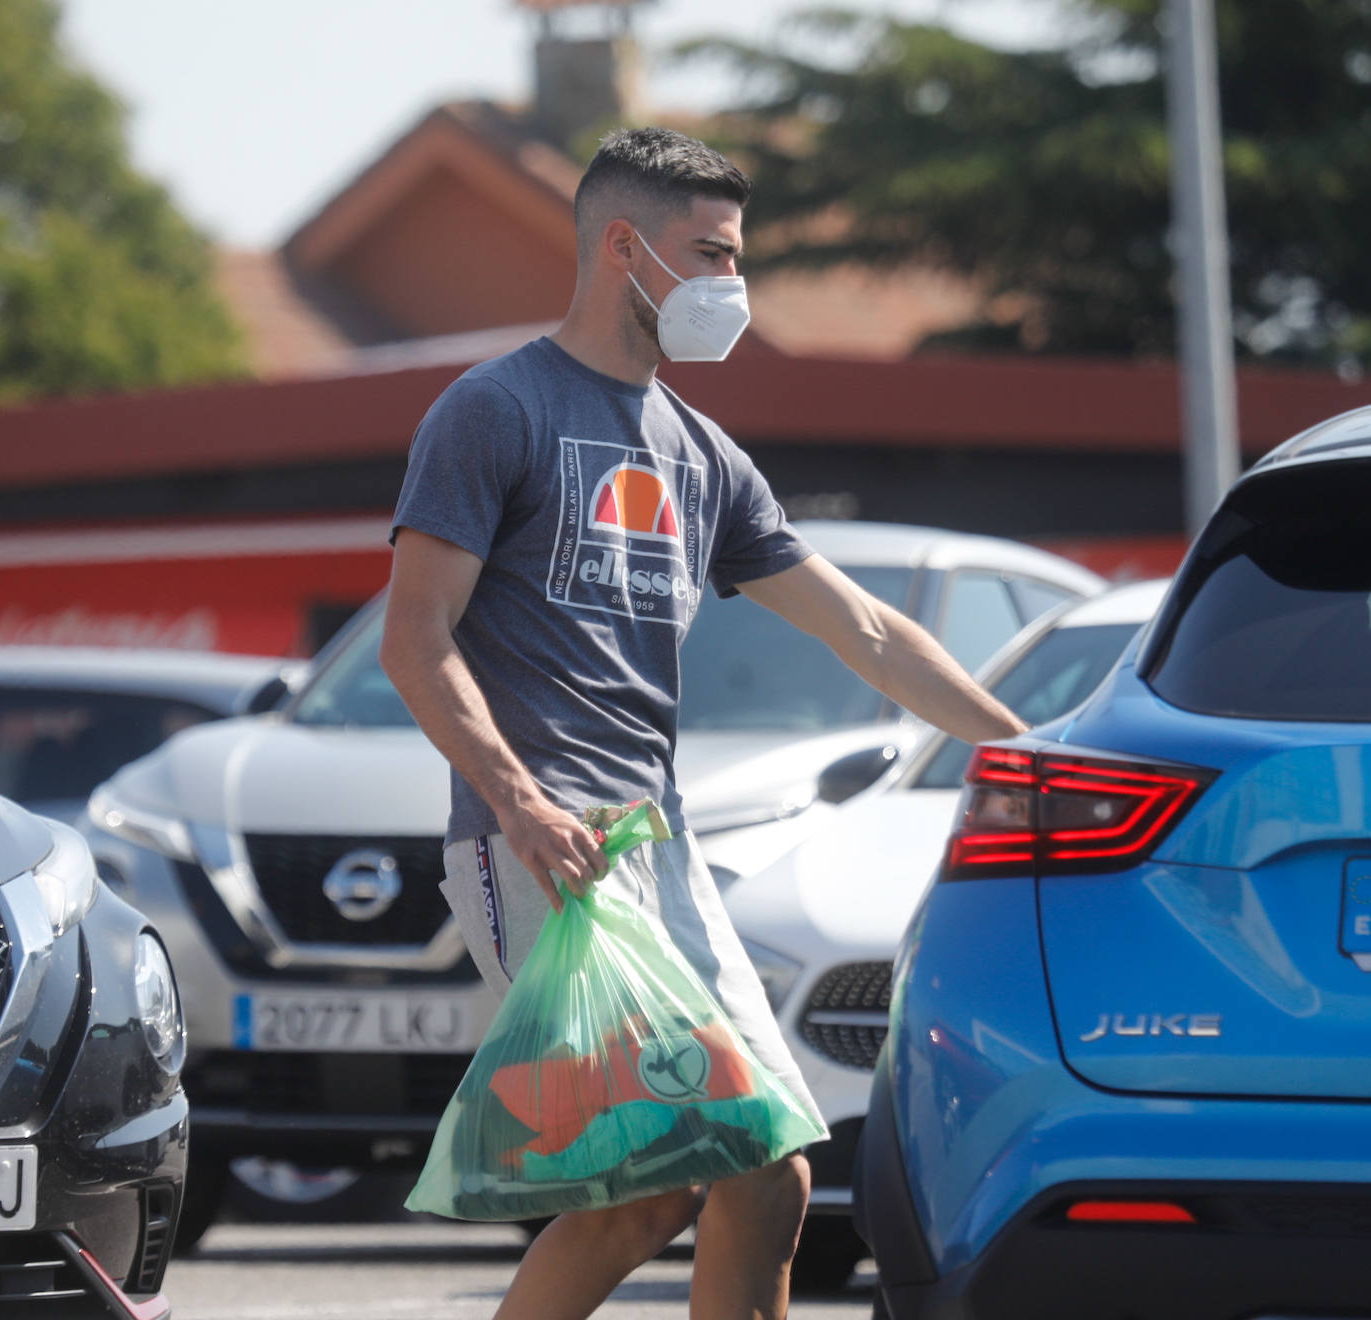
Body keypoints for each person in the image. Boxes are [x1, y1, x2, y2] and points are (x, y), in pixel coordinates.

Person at [380, 126, 1026, 1320]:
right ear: (624, 248)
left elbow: (866, 632)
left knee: (766, 1178)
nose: (732, 286)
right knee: (669, 1180)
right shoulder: (493, 411)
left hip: (660, 850)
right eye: (712, 255)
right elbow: (414, 641)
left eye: (738, 258)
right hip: (542, 853)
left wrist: (1025, 747)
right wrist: (520, 802)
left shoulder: (706, 457)